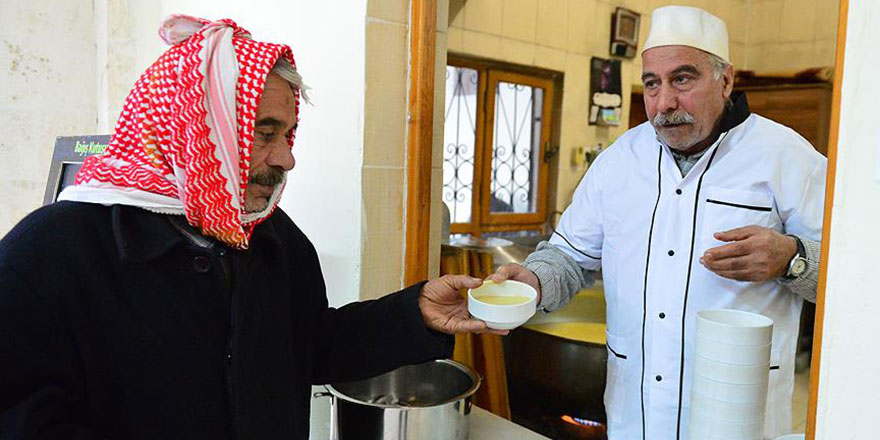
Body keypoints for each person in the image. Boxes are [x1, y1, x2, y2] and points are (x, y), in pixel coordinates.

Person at [0, 15, 500, 439]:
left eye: (288, 134)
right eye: (264, 133)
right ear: (193, 129)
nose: (286, 158)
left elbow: (311, 345)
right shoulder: (49, 254)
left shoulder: (274, 237)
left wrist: (416, 315)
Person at [491, 6, 825, 440]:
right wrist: (534, 281)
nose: (664, 102)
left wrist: (792, 259)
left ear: (725, 81)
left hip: (739, 410)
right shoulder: (619, 161)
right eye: (652, 83)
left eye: (682, 79)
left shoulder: (787, 157)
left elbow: (855, 280)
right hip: (636, 411)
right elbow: (569, 258)